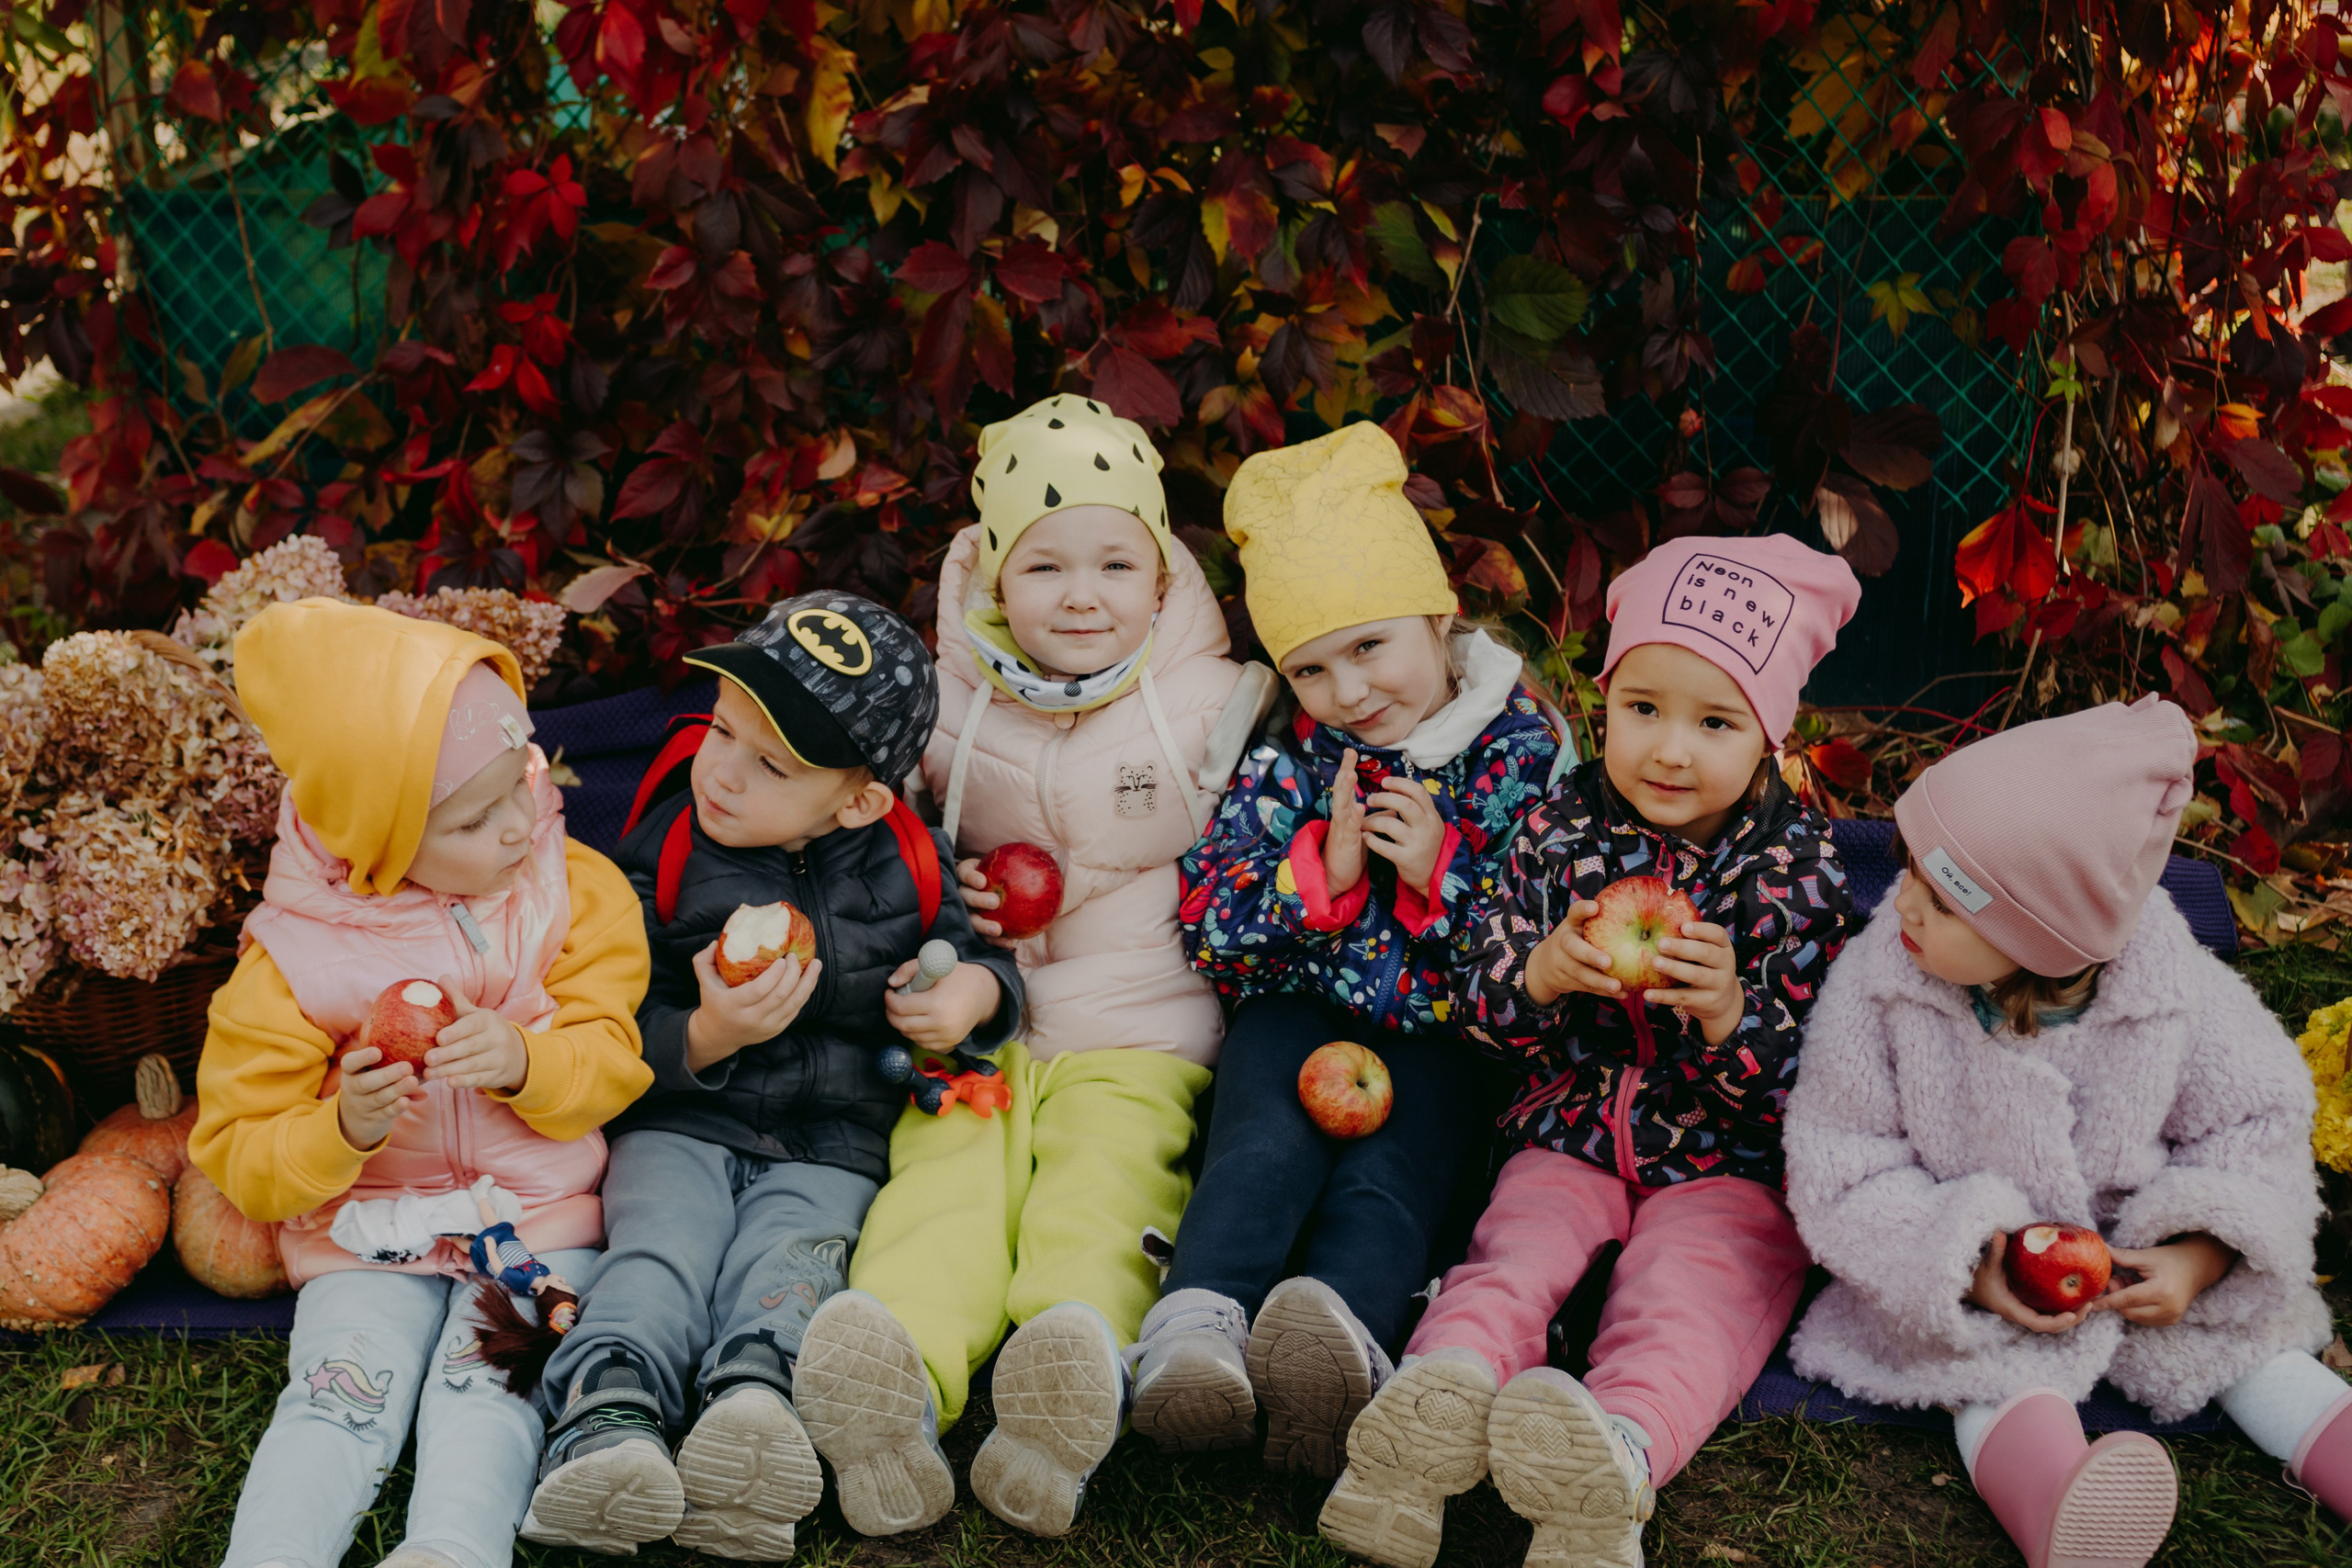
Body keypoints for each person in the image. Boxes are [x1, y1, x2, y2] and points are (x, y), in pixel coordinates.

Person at [1318, 536, 1861, 1568]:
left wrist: (1728, 1014)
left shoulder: (1794, 870)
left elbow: (1825, 1082)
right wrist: (1542, 976)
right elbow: (1474, 1005)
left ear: (1771, 737)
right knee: (1508, 1260)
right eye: (1642, 708)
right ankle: (1437, 1403)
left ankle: (1610, 1460)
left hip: (1726, 1165)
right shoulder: (1554, 831)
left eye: (1714, 722)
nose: (1668, 750)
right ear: (1602, 700)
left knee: (1688, 1297)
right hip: (1567, 1131)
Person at [799, 394, 1269, 1540]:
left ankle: (1073, 1365)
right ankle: (895, 1370)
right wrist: (927, 887)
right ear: (994, 579)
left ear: (1161, 580)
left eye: (1116, 563)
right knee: (944, 1176)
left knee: (1106, 1189)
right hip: (981, 1018)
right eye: (1044, 565)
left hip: (1142, 1025)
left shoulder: (1213, 701)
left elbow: (1268, 849)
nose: (1081, 595)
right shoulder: (942, 697)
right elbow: (882, 831)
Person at [1782, 697, 2352, 1568]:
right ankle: (2058, 1506)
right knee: (1980, 1374)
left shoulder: (2174, 992)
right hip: (1964, 1276)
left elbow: (2257, 1124)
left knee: (2261, 1352)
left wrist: (2197, 1259)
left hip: (2143, 1273)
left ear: (2040, 938)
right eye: (1906, 870)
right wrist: (1970, 1261)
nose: (1902, 903)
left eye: (1941, 896)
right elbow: (1844, 1156)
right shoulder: (1878, 983)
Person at [522, 592, 1021, 1562]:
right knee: (660, 1250)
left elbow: (983, 971)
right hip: (680, 1125)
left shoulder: (911, 864)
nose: (723, 773)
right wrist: (704, 1033)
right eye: (721, 731)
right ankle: (606, 1416)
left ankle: (752, 1419)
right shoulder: (664, 849)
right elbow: (613, 1017)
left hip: (834, 1140)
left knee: (792, 1271)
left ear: (861, 800)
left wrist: (968, 1001)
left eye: (770, 764)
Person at [1125, 422, 1562, 1482]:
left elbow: (1540, 944)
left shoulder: (1519, 749)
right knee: (1260, 1148)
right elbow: (1212, 924)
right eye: (1312, 667)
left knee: (1389, 1177)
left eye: (1370, 647)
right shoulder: (1286, 750)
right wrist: (1312, 877)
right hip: (1300, 1005)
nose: (1350, 691)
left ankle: (1338, 1342)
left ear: (1437, 615)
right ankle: (1196, 1329)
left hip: (1443, 1031)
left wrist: (1438, 876)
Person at [189, 599, 654, 1568]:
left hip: (536, 1222)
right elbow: (240, 1150)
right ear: (384, 836)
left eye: (522, 779)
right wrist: (340, 1130)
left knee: (488, 1394)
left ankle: (450, 1549)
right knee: (334, 1400)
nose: (522, 823)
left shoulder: (572, 895)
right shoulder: (294, 961)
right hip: (366, 1235)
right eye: (477, 817)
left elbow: (613, 1057)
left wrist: (531, 1062)